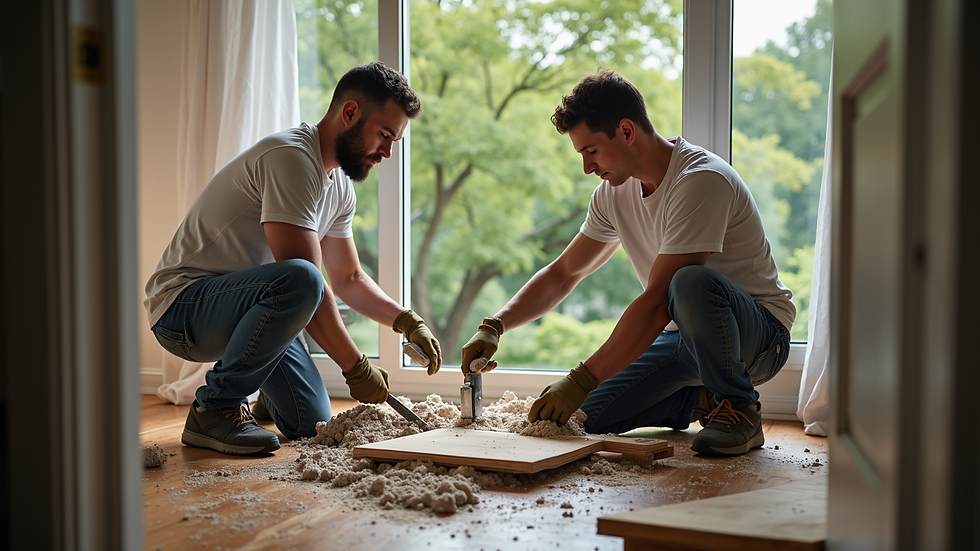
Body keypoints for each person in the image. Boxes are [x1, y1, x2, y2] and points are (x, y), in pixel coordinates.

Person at [460, 70, 795, 457]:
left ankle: (739, 406)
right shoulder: (613, 194)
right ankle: (702, 400)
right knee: (585, 417)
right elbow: (565, 272)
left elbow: (657, 302)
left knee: (688, 283)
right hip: (683, 338)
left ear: (626, 130)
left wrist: (581, 377)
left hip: (758, 338)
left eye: (591, 151)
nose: (587, 167)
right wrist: (495, 325)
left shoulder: (701, 180)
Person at [145, 62, 442, 456]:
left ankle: (261, 380)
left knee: (311, 423)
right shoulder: (291, 158)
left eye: (395, 141)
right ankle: (214, 408)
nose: (387, 152)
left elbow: (349, 277)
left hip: (246, 309)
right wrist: (356, 367)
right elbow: (310, 285)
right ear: (350, 113)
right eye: (384, 135)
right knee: (302, 279)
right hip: (183, 309)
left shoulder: (339, 188)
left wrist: (405, 320)